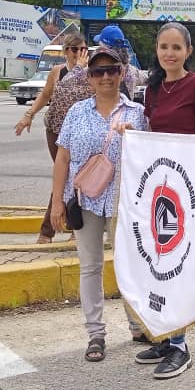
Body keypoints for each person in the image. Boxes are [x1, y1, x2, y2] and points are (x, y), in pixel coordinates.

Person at [50, 46, 148, 362]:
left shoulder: (137, 114)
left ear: (121, 74)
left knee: (129, 264)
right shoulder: (77, 112)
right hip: (84, 201)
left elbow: (147, 159)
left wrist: (136, 137)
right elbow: (62, 158)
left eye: (111, 70)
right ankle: (95, 333)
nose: (105, 77)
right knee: (90, 266)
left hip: (124, 201)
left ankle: (137, 324)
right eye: (98, 72)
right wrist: (56, 204)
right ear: (89, 78)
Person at [133, 21, 195, 379]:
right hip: (158, 187)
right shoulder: (151, 89)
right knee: (158, 262)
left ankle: (181, 345)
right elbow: (150, 137)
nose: (169, 53)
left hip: (186, 189)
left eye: (176, 48)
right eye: (164, 47)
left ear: (188, 51)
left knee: (177, 264)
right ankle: (166, 336)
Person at [15, 33, 90, 244]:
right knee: (65, 176)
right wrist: (28, 115)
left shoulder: (89, 73)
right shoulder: (57, 72)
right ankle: (55, 229)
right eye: (75, 49)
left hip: (81, 133)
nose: (79, 54)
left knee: (72, 178)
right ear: (66, 51)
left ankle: (56, 230)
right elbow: (46, 94)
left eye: (83, 49)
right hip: (57, 130)